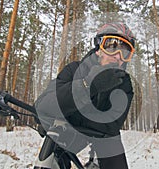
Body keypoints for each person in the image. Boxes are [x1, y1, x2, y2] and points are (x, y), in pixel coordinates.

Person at [54, 22, 135, 169]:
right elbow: (48, 105)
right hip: (69, 131)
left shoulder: (124, 83)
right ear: (98, 48)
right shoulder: (73, 70)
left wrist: (72, 111)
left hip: (104, 136)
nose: (117, 56)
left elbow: (112, 124)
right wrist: (87, 85)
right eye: (111, 46)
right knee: (53, 154)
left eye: (125, 52)